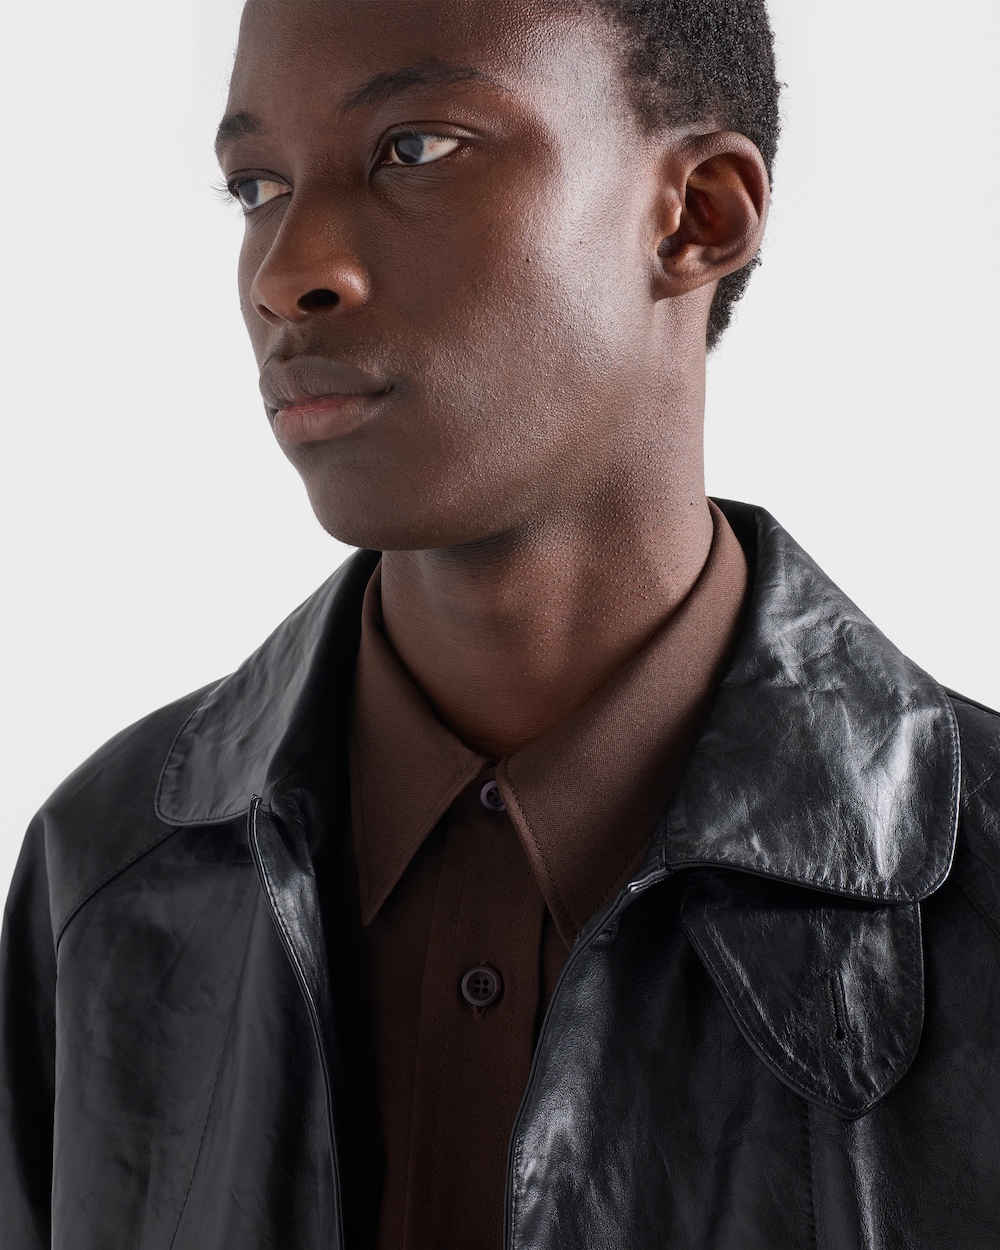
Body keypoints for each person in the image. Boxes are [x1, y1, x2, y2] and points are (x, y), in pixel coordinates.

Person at [2, 1, 998, 1247]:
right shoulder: (104, 874)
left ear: (696, 216)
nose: (286, 271)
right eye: (256, 185)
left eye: (414, 149)